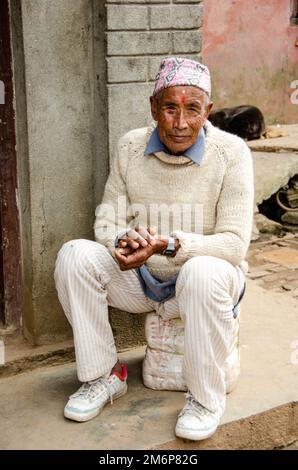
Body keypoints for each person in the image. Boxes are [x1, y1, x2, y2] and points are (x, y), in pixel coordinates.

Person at [54, 57, 254, 441]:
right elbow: (107, 223)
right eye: (170, 108)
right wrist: (123, 240)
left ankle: (205, 399)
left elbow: (233, 245)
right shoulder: (131, 146)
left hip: (207, 283)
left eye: (192, 109)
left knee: (202, 271)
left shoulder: (232, 153)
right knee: (74, 255)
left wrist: (169, 244)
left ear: (207, 111)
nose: (180, 123)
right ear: (153, 108)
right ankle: (103, 376)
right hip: (143, 281)